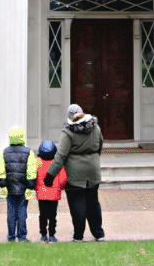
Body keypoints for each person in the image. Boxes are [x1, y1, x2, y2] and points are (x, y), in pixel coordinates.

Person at [44, 103, 105, 243]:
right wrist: (93, 160)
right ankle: (99, 234)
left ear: (69, 116)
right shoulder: (96, 127)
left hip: (75, 173)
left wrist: (50, 175)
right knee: (93, 202)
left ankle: (78, 236)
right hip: (93, 170)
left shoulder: (68, 132)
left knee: (77, 205)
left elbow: (61, 156)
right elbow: (100, 146)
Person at [0, 125, 37, 242]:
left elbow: (1, 170)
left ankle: (11, 236)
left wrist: (3, 185)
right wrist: (30, 186)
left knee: (11, 213)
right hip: (24, 189)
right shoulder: (28, 152)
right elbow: (31, 170)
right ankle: (22, 236)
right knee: (22, 212)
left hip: (9, 188)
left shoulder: (4, 152)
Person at [35, 140, 67, 242]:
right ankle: (52, 235)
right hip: (54, 195)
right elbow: (63, 179)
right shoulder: (57, 164)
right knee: (53, 216)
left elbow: (33, 178)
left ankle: (43, 235)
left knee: (42, 215)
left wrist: (37, 189)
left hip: (41, 194)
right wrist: (59, 188)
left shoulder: (37, 162)